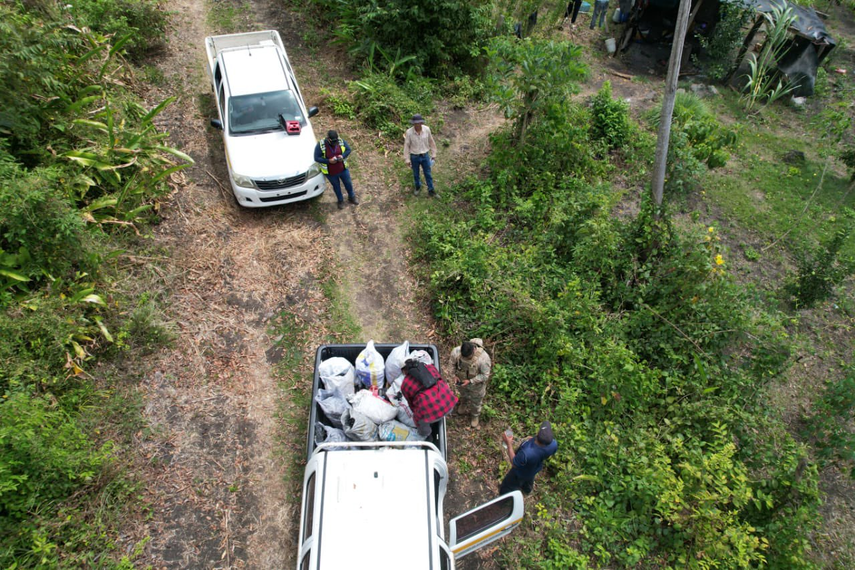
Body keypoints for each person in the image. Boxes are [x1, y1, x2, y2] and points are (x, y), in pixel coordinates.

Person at [401, 359, 458, 437]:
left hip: (430, 413)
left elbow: (411, 405)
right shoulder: (430, 367)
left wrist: (417, 415)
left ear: (404, 371)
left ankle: (426, 435)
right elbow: (441, 379)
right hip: (449, 404)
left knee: (420, 422)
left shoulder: (405, 384)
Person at [499, 421, 558, 495]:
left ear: (538, 434)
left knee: (509, 485)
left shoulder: (526, 453)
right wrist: (532, 440)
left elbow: (514, 463)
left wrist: (509, 444)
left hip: (519, 474)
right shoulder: (553, 444)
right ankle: (527, 490)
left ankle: (504, 496)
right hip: (534, 469)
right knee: (529, 480)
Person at [449, 338, 492, 428]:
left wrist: (471, 381)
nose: (465, 359)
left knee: (476, 402)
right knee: (463, 394)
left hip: (476, 385)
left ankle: (475, 415)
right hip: (461, 380)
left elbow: (485, 375)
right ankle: (463, 403)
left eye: (468, 358)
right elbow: (452, 364)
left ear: (474, 350)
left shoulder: (483, 359)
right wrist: (453, 376)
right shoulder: (456, 352)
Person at [314, 129, 359, 210]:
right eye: (333, 143)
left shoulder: (341, 141)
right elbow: (316, 158)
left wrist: (343, 156)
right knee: (336, 186)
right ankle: (340, 201)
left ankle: (351, 197)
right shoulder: (321, 145)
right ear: (328, 139)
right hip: (330, 172)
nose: (335, 144)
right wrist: (328, 161)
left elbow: (348, 149)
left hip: (343, 169)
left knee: (348, 183)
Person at [403, 114, 438, 197]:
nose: (417, 125)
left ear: (421, 123)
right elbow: (406, 146)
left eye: (419, 123)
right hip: (414, 156)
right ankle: (418, 187)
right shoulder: (409, 132)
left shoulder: (427, 129)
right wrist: (407, 159)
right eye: (415, 123)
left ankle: (431, 190)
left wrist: (433, 154)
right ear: (413, 123)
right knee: (416, 174)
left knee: (428, 173)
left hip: (425, 155)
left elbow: (431, 142)